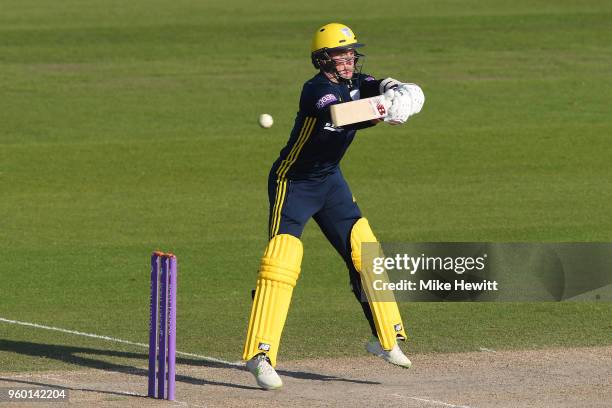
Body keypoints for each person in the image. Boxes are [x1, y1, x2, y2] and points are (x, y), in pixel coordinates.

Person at [243, 22, 425, 390]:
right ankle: (259, 356)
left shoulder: (356, 81)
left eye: (351, 53)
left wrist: (401, 94)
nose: (349, 60)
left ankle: (386, 339)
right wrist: (385, 108)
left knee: (364, 249)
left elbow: (400, 89)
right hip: (293, 182)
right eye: (341, 54)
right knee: (282, 260)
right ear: (323, 58)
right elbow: (341, 115)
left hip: (330, 182)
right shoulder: (317, 90)